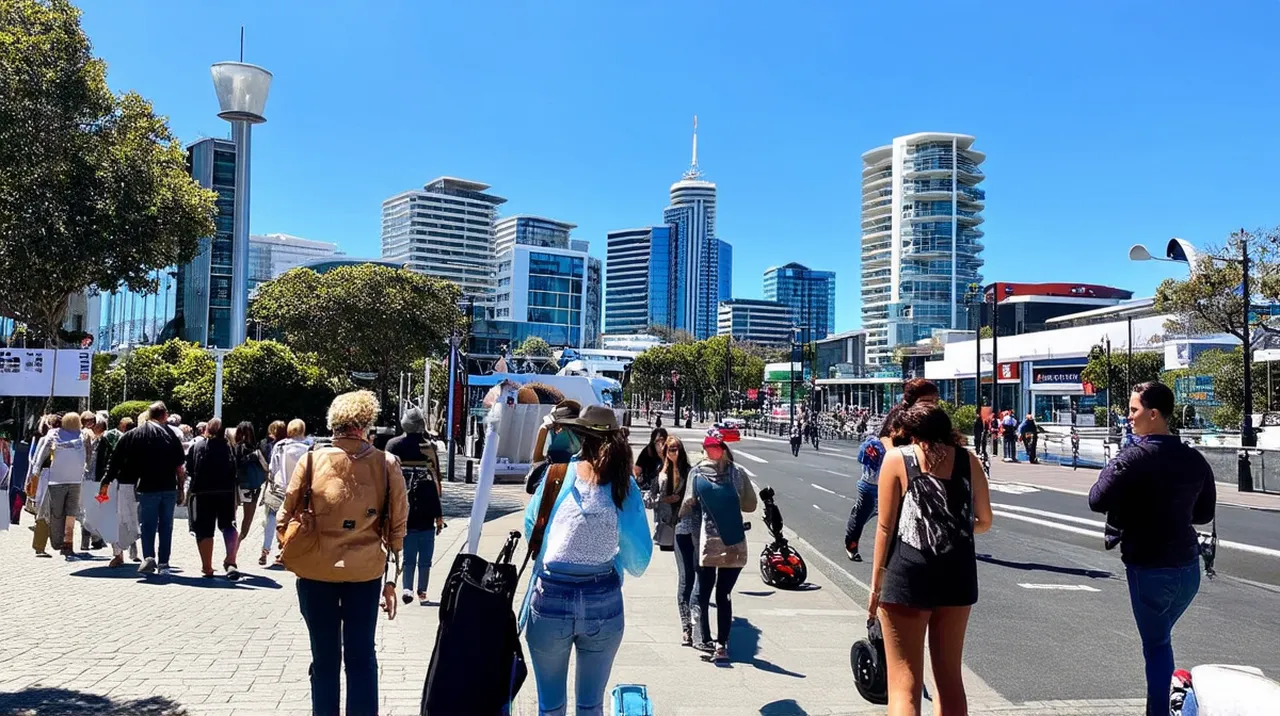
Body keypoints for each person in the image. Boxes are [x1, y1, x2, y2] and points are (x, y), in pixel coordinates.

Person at [1088, 381, 1215, 716]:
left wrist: (1120, 465)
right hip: (1188, 568)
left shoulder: (1134, 457)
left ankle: (1161, 710)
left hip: (1149, 566)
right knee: (1161, 637)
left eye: (1134, 410)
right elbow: (1204, 514)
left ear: (1154, 414)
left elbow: (1097, 499)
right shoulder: (1194, 459)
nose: (1129, 417)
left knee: (1157, 646)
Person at [278, 390, 408, 716]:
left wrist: (296, 542)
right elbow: (397, 528)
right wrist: (392, 580)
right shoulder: (386, 464)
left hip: (315, 571)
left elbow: (283, 516)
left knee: (324, 658)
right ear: (366, 424)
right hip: (365, 572)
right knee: (362, 656)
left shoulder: (311, 460)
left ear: (333, 423)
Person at [521, 405, 652, 716]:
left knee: (550, 705)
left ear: (581, 437)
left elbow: (531, 529)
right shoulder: (624, 484)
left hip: (550, 597)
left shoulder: (557, 475)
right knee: (590, 705)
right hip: (602, 599)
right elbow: (639, 558)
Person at [868, 402, 993, 716]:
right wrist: (951, 527)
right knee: (950, 678)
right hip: (958, 575)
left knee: (904, 683)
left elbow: (885, 527)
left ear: (913, 434)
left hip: (907, 574)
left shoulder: (897, 459)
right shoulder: (968, 460)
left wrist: (876, 585)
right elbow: (985, 520)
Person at [682, 434, 757, 662]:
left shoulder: (696, 473)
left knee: (703, 591)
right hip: (734, 542)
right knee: (724, 594)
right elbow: (750, 505)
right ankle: (722, 645)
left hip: (706, 542)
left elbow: (687, 505)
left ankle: (703, 638)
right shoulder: (737, 473)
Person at [99, 402, 186, 575]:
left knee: (148, 525)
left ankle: (148, 557)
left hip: (147, 486)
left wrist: (107, 480)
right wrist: (181, 488)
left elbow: (116, 459)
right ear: (165, 415)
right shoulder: (171, 435)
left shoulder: (133, 435)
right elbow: (180, 467)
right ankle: (164, 563)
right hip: (168, 486)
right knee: (166, 526)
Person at [384, 408, 445, 605]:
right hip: (426, 504)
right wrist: (439, 514)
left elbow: (385, 476)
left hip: (400, 502)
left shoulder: (393, 444)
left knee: (406, 554)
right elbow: (436, 477)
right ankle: (422, 591)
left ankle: (405, 587)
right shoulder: (428, 446)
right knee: (425, 557)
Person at [643, 434, 694, 644]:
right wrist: (664, 499)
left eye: (677, 449)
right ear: (665, 452)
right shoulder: (660, 474)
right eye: (671, 449)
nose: (675, 452)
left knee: (694, 576)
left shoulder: (689, 472)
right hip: (671, 527)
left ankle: (696, 619)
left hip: (691, 526)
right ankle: (687, 626)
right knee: (685, 577)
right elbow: (648, 500)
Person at [186, 418, 241, 579]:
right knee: (229, 525)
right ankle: (231, 560)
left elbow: (190, 468)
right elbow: (235, 469)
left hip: (203, 493)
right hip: (226, 492)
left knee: (204, 530)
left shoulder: (198, 446)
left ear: (206, 430)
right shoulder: (229, 447)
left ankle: (207, 567)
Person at [30, 412, 89, 559]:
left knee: (58, 513)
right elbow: (38, 458)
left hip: (59, 480)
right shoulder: (77, 436)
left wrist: (33, 476)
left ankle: (62, 544)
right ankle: (53, 545)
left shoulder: (79, 436)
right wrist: (34, 477)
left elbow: (37, 460)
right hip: (54, 479)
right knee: (55, 513)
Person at [845, 410, 898, 562]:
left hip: (891, 488)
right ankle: (851, 546)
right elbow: (867, 461)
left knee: (892, 522)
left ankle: (891, 555)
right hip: (870, 487)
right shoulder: (874, 443)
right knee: (860, 518)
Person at [262, 418, 310, 566]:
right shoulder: (308, 447)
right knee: (294, 520)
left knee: (273, 518)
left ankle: (267, 549)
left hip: (280, 488)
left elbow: (272, 468)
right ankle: (285, 551)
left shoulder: (280, 445)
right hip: (299, 489)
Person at [99, 416, 139, 567]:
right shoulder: (142, 441)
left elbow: (113, 462)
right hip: (136, 485)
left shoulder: (122, 440)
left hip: (121, 484)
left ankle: (119, 554)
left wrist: (105, 481)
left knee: (116, 518)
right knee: (131, 518)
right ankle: (131, 549)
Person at [232, 421, 268, 569]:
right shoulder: (257, 449)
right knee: (247, 520)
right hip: (252, 488)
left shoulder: (234, 448)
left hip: (236, 487)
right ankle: (235, 549)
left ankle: (231, 551)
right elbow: (266, 469)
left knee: (232, 520)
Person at [79, 410, 108, 551]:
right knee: (91, 509)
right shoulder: (93, 439)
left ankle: (94, 538)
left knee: (91, 509)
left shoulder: (91, 438)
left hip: (91, 478)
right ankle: (91, 539)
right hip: (92, 478)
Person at [633, 427, 667, 492]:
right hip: (648, 485)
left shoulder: (669, 450)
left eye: (662, 440)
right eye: (657, 441)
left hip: (664, 485)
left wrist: (662, 455)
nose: (660, 444)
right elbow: (637, 470)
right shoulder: (648, 451)